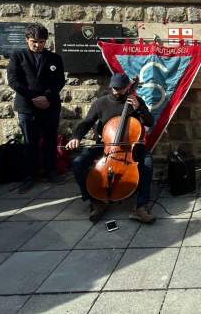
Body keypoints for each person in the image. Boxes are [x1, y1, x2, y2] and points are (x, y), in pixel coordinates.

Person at [65, 73, 156, 224]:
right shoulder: (100, 103)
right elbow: (87, 122)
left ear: (128, 87)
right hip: (107, 145)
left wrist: (139, 108)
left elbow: (150, 121)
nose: (116, 91)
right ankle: (95, 201)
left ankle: (141, 206)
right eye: (114, 88)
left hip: (130, 147)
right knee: (78, 163)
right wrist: (76, 137)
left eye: (120, 88)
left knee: (147, 163)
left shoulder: (136, 101)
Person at [7, 24, 66, 193]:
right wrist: (33, 97)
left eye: (41, 41)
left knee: (50, 140)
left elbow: (59, 81)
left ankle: (51, 172)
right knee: (29, 143)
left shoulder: (55, 58)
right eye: (34, 41)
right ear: (27, 40)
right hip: (27, 106)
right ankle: (29, 176)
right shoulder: (18, 56)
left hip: (50, 105)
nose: (37, 45)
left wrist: (47, 97)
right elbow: (14, 81)